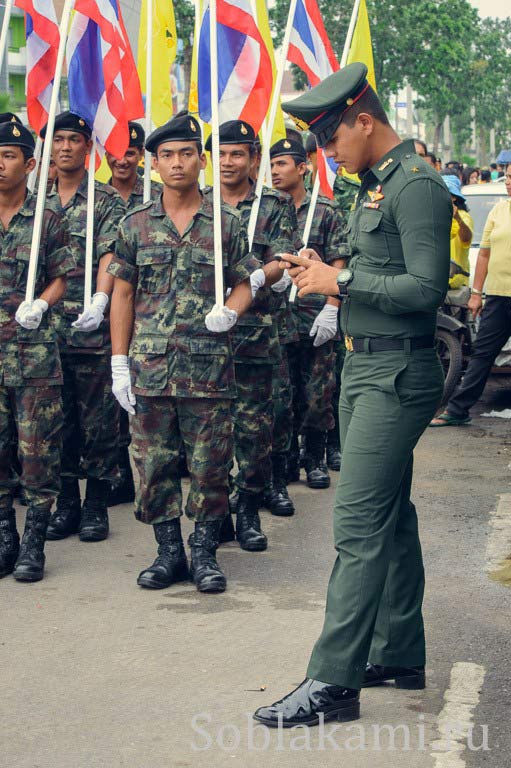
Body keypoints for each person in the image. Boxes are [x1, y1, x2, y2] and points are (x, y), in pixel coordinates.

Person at [253, 62, 451, 726]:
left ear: (363, 121)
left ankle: (332, 682)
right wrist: (329, 270)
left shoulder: (415, 186)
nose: (326, 152)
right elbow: (382, 268)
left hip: (395, 374)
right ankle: (397, 651)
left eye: (331, 138)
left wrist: (338, 283)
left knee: (357, 526)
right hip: (363, 368)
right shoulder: (375, 185)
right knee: (388, 517)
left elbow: (427, 290)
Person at [108, 112, 259, 593]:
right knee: (153, 466)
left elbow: (247, 282)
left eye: (187, 154)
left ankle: (205, 553)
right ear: (154, 164)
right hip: (150, 369)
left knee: (210, 466)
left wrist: (232, 312)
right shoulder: (134, 225)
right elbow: (123, 295)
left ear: (201, 160)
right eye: (167, 155)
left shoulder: (225, 223)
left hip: (208, 369)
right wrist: (118, 362)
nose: (177, 164)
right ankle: (168, 551)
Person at [204, 121, 295, 547]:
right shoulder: (199, 205)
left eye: (237, 153)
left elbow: (283, 257)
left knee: (254, 429)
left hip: (256, 333)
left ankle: (247, 509)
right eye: (221, 154)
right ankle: (216, 512)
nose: (228, 162)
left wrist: (256, 277)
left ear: (253, 158)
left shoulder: (275, 204)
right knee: (208, 431)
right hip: (203, 338)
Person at [43, 112, 126, 543]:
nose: (66, 147)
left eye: (74, 139)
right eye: (58, 140)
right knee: (55, 422)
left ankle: (95, 504)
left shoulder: (106, 200)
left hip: (90, 328)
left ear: (87, 148)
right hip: (42, 332)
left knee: (98, 422)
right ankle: (66, 503)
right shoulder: (36, 201)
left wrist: (100, 298)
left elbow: (111, 254)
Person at [0, 121, 74, 582]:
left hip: (33, 355)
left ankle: (33, 544)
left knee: (36, 452)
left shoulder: (47, 218)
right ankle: (5, 535)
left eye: (8, 154)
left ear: (29, 164)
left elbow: (64, 278)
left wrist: (40, 303)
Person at [270, 138, 346, 490]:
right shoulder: (267, 211)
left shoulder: (325, 210)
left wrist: (332, 310)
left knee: (318, 394)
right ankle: (285, 461)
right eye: (271, 164)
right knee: (281, 398)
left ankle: (314, 458)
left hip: (315, 315)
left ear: (303, 167)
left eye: (283, 163)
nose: (275, 171)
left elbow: (340, 262)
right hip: (277, 319)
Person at [105, 121, 162, 507]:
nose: (123, 159)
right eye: (116, 150)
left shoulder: (157, 196)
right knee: (107, 407)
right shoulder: (98, 199)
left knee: (146, 407)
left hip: (156, 317)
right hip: (103, 314)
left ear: (141, 156)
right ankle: (116, 476)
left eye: (131, 151)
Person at [431, 165, 511, 427]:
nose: (509, 182)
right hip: (498, 296)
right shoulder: (499, 211)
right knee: (482, 355)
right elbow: (485, 254)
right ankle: (457, 409)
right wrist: (476, 293)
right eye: (508, 176)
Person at [441, 174, 473, 290]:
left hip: (456, 285)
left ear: (454, 197)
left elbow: (466, 239)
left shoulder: (464, 217)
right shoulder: (435, 216)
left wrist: (457, 218)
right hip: (437, 283)